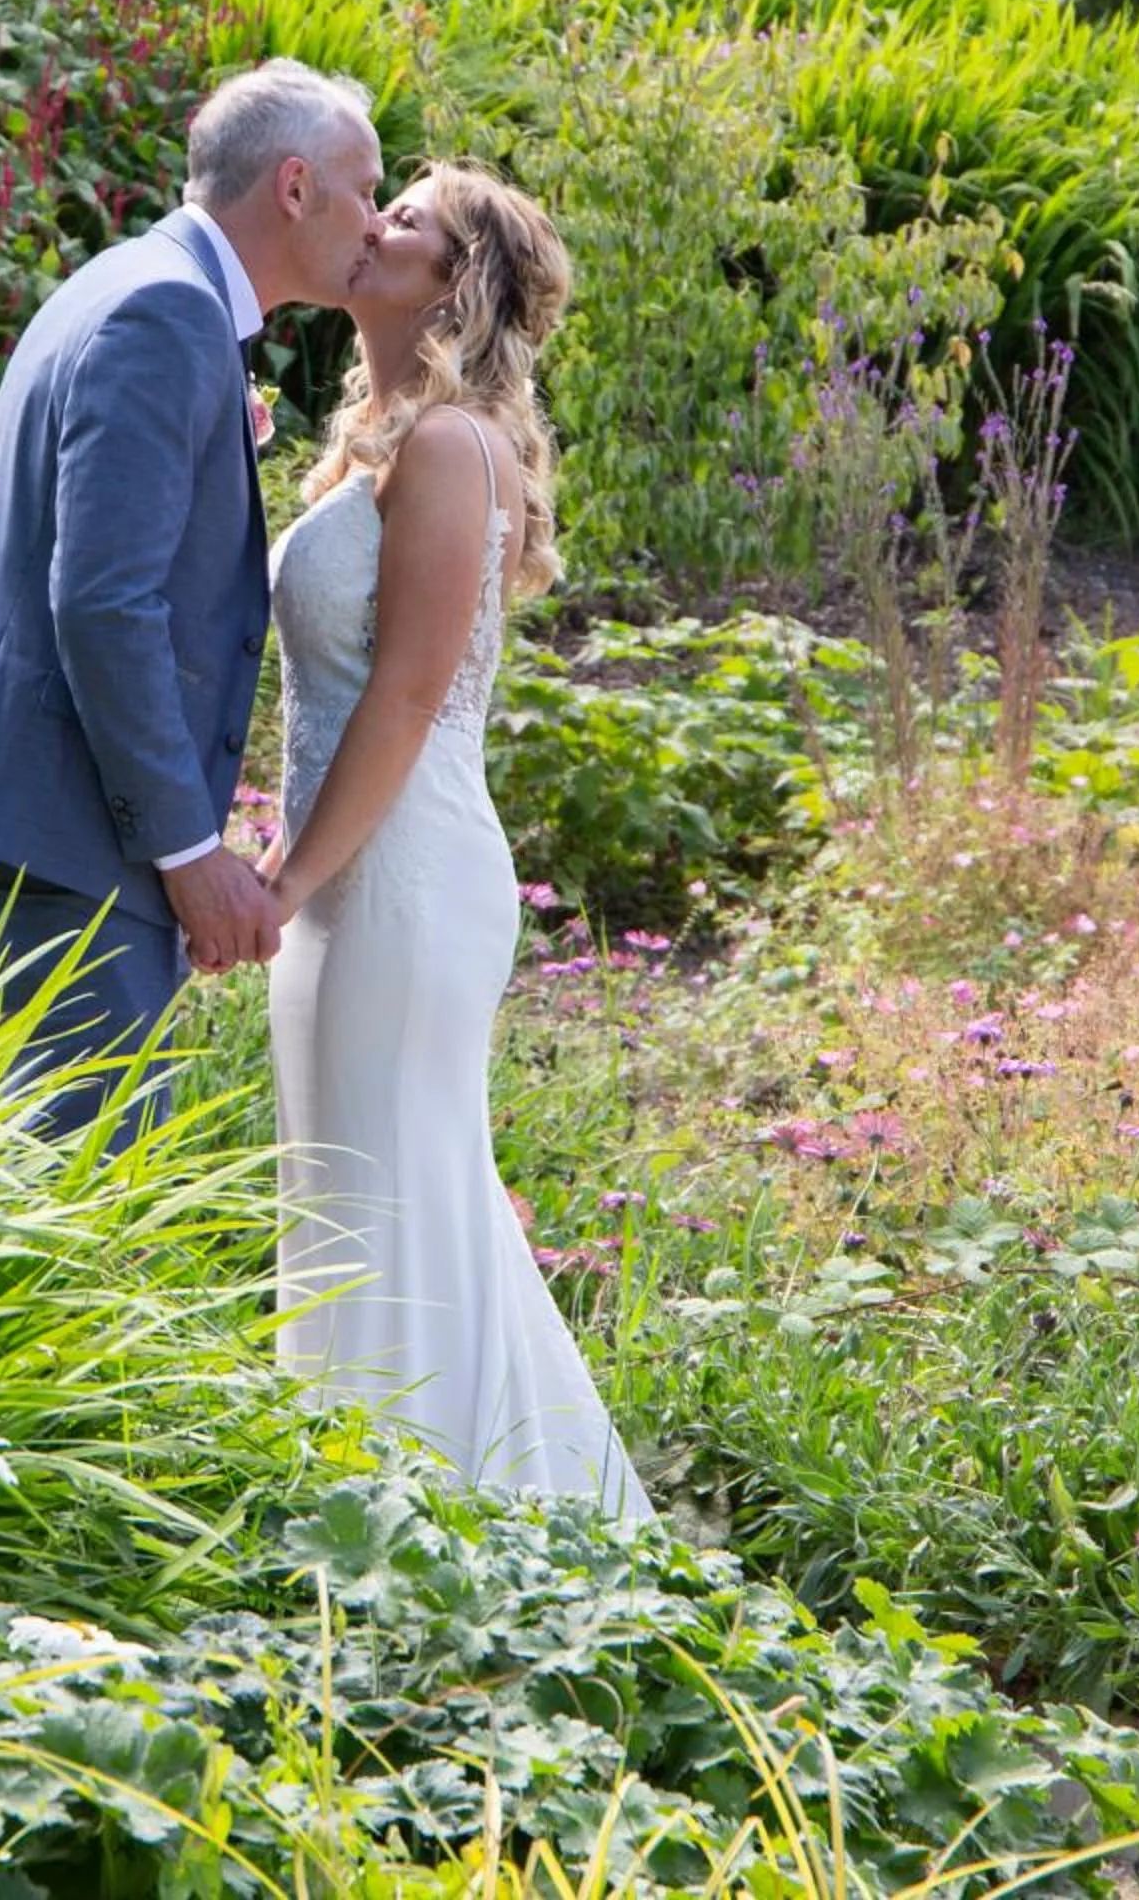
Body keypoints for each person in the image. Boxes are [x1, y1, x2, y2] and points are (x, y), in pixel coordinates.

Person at [0, 60, 383, 1143]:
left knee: (63, 1172)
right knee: (81, 1190)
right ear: (296, 187)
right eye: (366, 189)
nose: (375, 224)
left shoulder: (136, 282)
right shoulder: (164, 312)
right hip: (72, 824)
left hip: (55, 812)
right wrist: (190, 855)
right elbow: (105, 604)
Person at [262, 162, 650, 1518]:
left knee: (387, 1205)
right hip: (353, 877)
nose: (373, 226)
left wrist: (291, 872)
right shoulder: (390, 437)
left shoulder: (445, 449)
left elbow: (412, 693)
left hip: (395, 883)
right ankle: (429, 1519)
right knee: (369, 1199)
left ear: (457, 278)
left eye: (407, 217)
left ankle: (422, 1528)